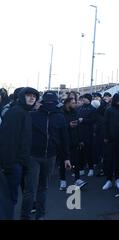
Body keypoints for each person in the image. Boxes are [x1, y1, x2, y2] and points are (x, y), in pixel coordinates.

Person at [21, 91, 71, 220]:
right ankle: (25, 217)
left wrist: (66, 157)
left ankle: (40, 215)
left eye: (52, 102)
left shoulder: (60, 117)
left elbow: (64, 138)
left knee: (43, 188)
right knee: (30, 189)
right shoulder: (32, 115)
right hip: (33, 156)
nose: (50, 104)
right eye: (47, 102)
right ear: (43, 102)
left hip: (51, 156)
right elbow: (25, 136)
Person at [0, 87, 39, 219]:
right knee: (9, 198)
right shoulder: (16, 113)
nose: (32, 98)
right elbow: (8, 140)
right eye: (28, 95)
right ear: (22, 97)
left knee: (10, 197)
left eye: (34, 96)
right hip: (13, 163)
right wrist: (8, 165)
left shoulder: (25, 112)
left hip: (20, 162)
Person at [60, 98, 87, 191]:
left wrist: (80, 139)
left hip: (74, 140)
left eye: (75, 103)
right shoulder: (60, 113)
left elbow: (79, 127)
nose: (75, 104)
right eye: (73, 103)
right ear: (67, 103)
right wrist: (68, 125)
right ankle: (62, 180)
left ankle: (77, 179)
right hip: (63, 141)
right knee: (63, 161)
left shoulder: (75, 112)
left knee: (76, 161)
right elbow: (58, 126)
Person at [102, 94, 119, 191]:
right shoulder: (109, 110)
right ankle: (108, 179)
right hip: (110, 140)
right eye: (118, 101)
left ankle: (117, 178)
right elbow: (105, 124)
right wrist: (106, 137)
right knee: (109, 160)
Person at [77, 94, 97, 177]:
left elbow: (93, 120)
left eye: (84, 98)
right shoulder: (80, 108)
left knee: (89, 151)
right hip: (80, 132)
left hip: (88, 133)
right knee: (80, 151)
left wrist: (83, 120)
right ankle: (81, 169)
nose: (83, 100)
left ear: (88, 99)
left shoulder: (92, 109)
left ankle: (91, 169)